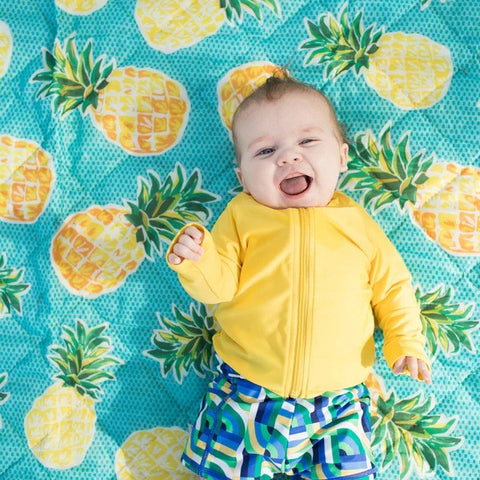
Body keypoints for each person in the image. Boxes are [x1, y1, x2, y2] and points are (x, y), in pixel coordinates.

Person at [166, 70, 431, 480]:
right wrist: (198, 260)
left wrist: (405, 339)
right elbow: (218, 285)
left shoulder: (357, 223)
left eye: (307, 141)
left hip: (337, 403)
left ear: (342, 158)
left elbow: (393, 286)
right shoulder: (242, 217)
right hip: (245, 391)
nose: (288, 157)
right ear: (242, 178)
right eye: (265, 150)